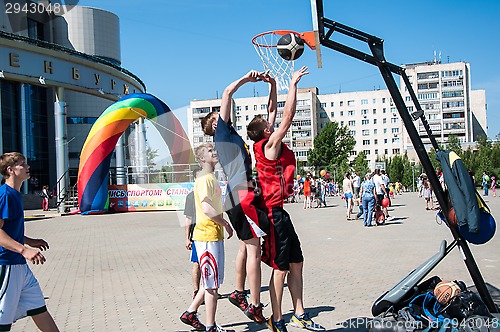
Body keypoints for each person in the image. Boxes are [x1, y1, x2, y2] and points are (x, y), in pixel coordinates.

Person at [247, 66, 325, 332]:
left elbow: (273, 112)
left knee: (296, 262)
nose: (273, 123)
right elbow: (287, 116)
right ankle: (276, 318)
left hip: (281, 213)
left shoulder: (265, 141)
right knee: (280, 269)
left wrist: (272, 85)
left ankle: (299, 313)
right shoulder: (268, 147)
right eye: (270, 125)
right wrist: (292, 84)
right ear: (266, 133)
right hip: (272, 215)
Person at [200, 70, 272, 323]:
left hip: (237, 192)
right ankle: (254, 304)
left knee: (245, 245)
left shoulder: (227, 136)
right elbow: (228, 92)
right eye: (220, 113)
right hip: (240, 194)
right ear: (216, 121)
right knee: (255, 250)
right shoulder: (221, 131)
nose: (225, 112)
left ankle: (238, 293)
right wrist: (246, 78)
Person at [0, 152, 59, 332]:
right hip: (7, 265)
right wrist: (24, 250)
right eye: (22, 164)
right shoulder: (5, 195)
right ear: (10, 170)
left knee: (39, 309)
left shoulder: (16, 194)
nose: (27, 167)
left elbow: (9, 230)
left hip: (21, 267)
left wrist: (29, 241)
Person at [179, 144, 233, 332]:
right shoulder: (204, 179)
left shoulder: (210, 178)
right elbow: (208, 209)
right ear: (201, 159)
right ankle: (211, 326)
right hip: (207, 236)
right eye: (210, 151)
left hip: (211, 236)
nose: (214, 152)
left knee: (211, 281)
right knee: (212, 286)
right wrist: (224, 223)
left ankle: (190, 312)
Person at [184, 167, 202, 301]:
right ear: (195, 179)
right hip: (197, 235)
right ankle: (197, 291)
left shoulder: (210, 193)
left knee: (208, 264)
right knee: (197, 263)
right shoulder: (191, 196)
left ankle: (207, 290)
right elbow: (188, 218)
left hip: (211, 234)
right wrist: (187, 238)